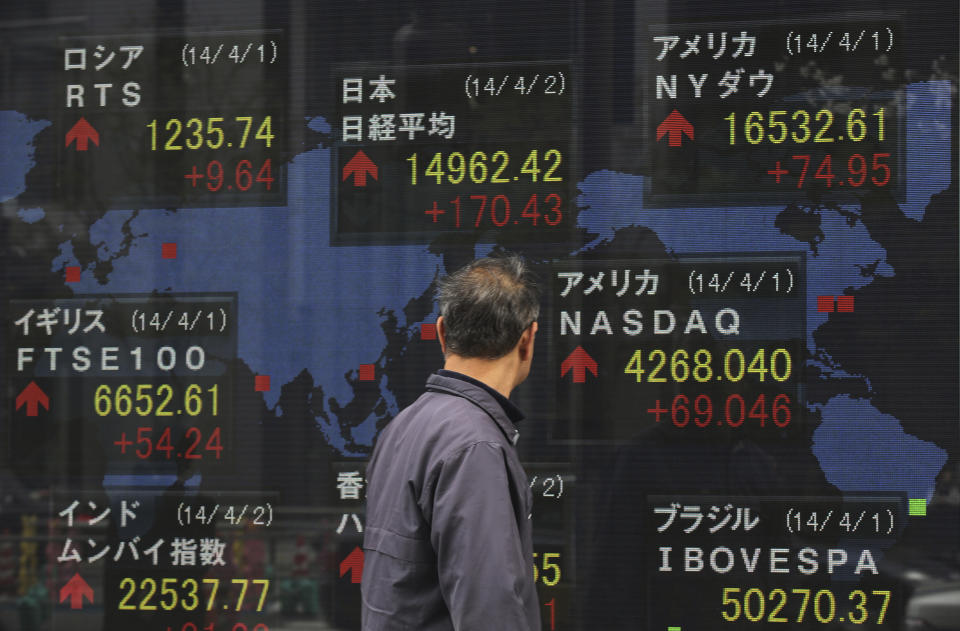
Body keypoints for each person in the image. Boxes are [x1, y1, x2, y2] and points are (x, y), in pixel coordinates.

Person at [361, 255, 541, 631]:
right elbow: (489, 610)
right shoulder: (476, 446)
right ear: (528, 340)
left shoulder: (403, 426)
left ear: (442, 333)